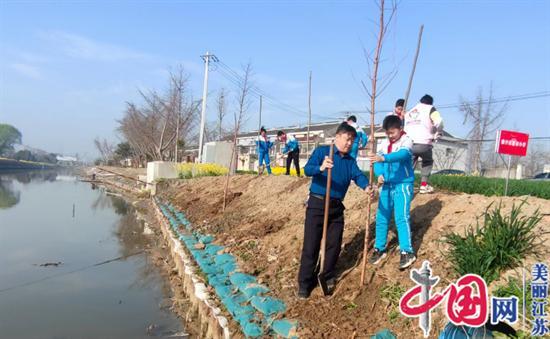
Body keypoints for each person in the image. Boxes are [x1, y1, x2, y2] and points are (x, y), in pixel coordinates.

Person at [298, 122, 374, 298]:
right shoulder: (323, 152)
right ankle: (304, 282)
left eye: (352, 141)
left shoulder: (349, 161)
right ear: (338, 137)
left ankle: (326, 274)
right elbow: (307, 170)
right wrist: (321, 168)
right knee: (311, 245)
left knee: (334, 244)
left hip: (336, 207)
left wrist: (366, 187)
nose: (349, 144)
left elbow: (358, 176)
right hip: (317, 204)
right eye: (347, 139)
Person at [368, 115, 416, 270]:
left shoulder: (406, 140)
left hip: (402, 184)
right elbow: (376, 162)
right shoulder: (383, 143)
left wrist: (383, 158)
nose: (390, 135)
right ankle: (379, 248)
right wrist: (379, 173)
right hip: (387, 185)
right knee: (382, 216)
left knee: (401, 217)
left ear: (400, 129)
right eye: (388, 132)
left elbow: (402, 155)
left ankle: (407, 251)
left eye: (393, 132)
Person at [404, 94, 444, 194]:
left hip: (409, 144)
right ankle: (423, 186)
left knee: (409, 166)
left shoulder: (410, 111)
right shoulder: (431, 109)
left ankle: (406, 186)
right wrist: (438, 132)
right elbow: (439, 121)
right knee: (427, 161)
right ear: (430, 102)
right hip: (424, 143)